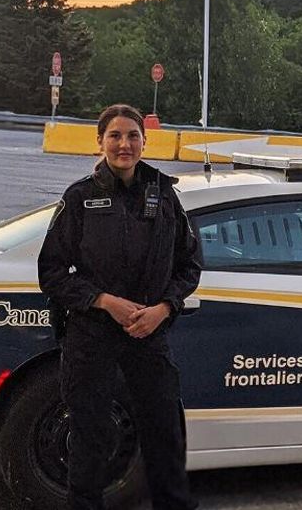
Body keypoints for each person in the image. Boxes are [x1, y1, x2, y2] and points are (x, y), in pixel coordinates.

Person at [38, 104, 202, 509]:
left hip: (149, 334)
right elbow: (51, 272)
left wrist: (164, 308)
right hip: (92, 337)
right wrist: (103, 301)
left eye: (132, 136)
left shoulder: (164, 195)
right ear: (100, 142)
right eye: (115, 135)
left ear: (145, 142)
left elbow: (189, 265)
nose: (124, 144)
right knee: (90, 440)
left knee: (165, 437)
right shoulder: (80, 198)